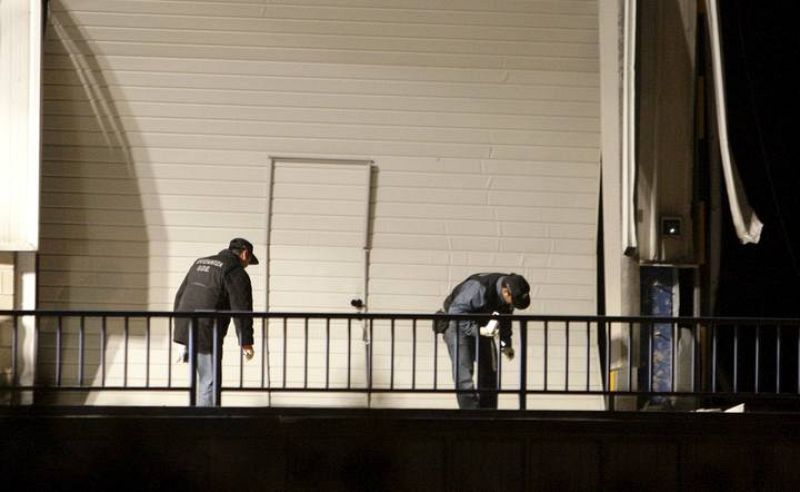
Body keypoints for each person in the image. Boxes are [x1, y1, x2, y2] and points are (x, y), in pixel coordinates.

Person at [173, 238, 259, 406]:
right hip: (206, 330)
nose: (247, 265)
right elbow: (241, 309)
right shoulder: (235, 271)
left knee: (201, 377)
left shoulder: (200, 262)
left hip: (185, 325)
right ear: (245, 254)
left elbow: (180, 295)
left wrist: (179, 332)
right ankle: (206, 423)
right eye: (248, 261)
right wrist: (246, 342)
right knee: (209, 380)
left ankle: (198, 415)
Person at [440, 272, 531, 409]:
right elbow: (456, 311)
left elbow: (505, 319)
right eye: (514, 302)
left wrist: (506, 345)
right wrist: (477, 331)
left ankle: (488, 411)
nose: (513, 306)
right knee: (463, 371)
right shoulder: (478, 288)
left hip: (480, 324)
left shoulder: (509, 289)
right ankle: (471, 414)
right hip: (456, 323)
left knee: (490, 369)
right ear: (506, 292)